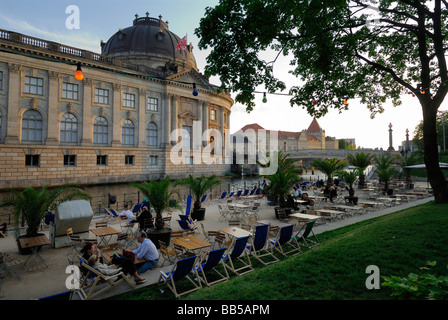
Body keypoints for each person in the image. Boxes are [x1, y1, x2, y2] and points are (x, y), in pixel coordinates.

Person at [80, 242, 146, 285]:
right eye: (93, 248)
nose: (94, 249)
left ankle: (136, 276)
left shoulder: (90, 261)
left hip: (110, 272)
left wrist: (113, 267)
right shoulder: (93, 263)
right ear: (88, 250)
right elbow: (107, 271)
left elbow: (101, 265)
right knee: (129, 261)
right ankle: (136, 277)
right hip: (114, 276)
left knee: (126, 261)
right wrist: (119, 269)